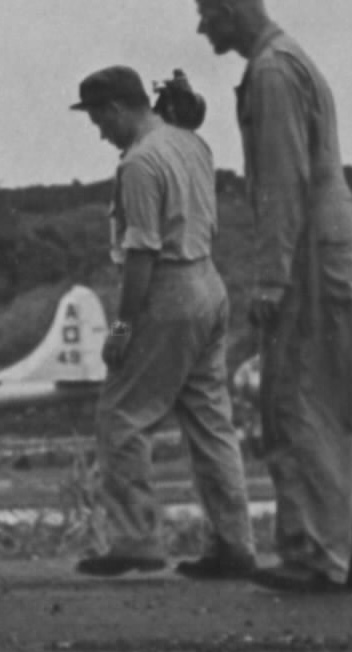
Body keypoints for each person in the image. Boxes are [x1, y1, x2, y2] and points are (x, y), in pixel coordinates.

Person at [190, 0, 352, 594]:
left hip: (309, 250)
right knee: (349, 403)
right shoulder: (292, 60)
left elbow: (280, 181)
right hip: (341, 238)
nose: (202, 28)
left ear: (229, 9)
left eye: (206, 14)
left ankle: (315, 555)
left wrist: (272, 278)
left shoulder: (271, 72)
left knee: (303, 401)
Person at [68, 65, 260, 580]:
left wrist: (123, 327)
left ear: (116, 109)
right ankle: (235, 542)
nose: (100, 131)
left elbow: (141, 252)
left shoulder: (138, 163)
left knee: (122, 417)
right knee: (211, 420)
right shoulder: (192, 144)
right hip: (209, 285)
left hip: (168, 293)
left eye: (99, 119)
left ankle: (136, 540)